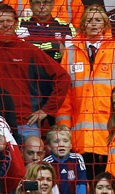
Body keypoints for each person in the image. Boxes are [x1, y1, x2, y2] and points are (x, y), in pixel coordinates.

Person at [57, 4, 115, 181]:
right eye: (89, 20)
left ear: (105, 24)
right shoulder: (70, 53)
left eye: (97, 20)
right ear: (83, 24)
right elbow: (64, 96)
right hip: (79, 139)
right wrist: (64, 128)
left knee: (109, 188)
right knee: (84, 190)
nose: (93, 24)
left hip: (110, 135)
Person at [0, 4, 71, 144]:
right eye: (0, 22)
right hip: (0, 123)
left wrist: (47, 110)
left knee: (31, 166)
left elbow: (63, 78)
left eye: (9, 21)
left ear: (15, 24)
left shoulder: (29, 51)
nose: (5, 25)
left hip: (25, 123)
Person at [42, 125, 87, 194]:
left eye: (65, 141)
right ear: (49, 146)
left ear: (70, 145)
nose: (61, 144)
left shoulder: (77, 158)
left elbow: (82, 182)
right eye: (56, 142)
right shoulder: (46, 163)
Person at [5, 0, 84, 28]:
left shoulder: (73, 1)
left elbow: (78, 32)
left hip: (60, 53)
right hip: (25, 51)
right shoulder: (13, 1)